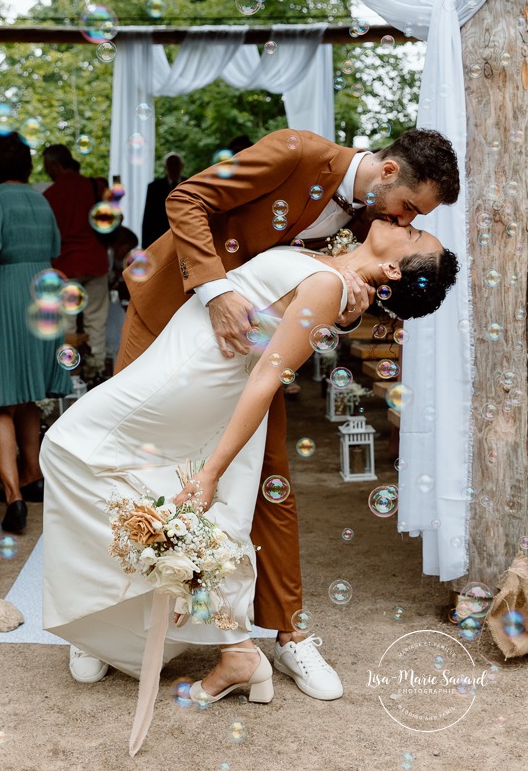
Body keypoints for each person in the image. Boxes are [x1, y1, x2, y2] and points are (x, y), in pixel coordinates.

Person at [40, 220, 458, 750]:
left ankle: (139, 607)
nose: (410, 224)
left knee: (66, 447)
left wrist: (214, 469)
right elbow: (277, 313)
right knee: (170, 493)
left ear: (395, 267)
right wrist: (350, 309)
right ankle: (224, 645)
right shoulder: (332, 272)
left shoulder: (329, 286)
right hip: (191, 363)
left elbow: (267, 375)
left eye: (418, 236)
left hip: (192, 376)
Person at [89, 127, 460, 698]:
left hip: (253, 354)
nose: (407, 221)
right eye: (410, 207)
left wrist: (341, 314)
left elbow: (342, 293)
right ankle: (99, 629)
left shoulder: (375, 224)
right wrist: (215, 292)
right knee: (127, 459)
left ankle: (289, 635)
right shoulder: (297, 152)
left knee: (269, 478)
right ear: (389, 173)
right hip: (171, 312)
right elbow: (185, 199)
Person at [0, 132, 72, 534]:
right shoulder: (40, 199)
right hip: (41, 292)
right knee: (27, 392)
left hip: (2, 293)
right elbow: (54, 247)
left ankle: (13, 497)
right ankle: (32, 474)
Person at [43, 144, 110, 384]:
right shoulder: (96, 186)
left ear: (54, 166)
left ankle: (69, 376)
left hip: (65, 266)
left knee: (67, 325)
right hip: (95, 261)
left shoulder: (49, 196)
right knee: (96, 320)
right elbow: (114, 218)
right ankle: (96, 371)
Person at [141, 152, 184, 248]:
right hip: (160, 237)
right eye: (170, 164)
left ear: (181, 166)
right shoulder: (154, 187)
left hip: (184, 235)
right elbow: (148, 216)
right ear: (165, 167)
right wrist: (145, 244)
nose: (173, 167)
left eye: (176, 164)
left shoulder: (189, 184)